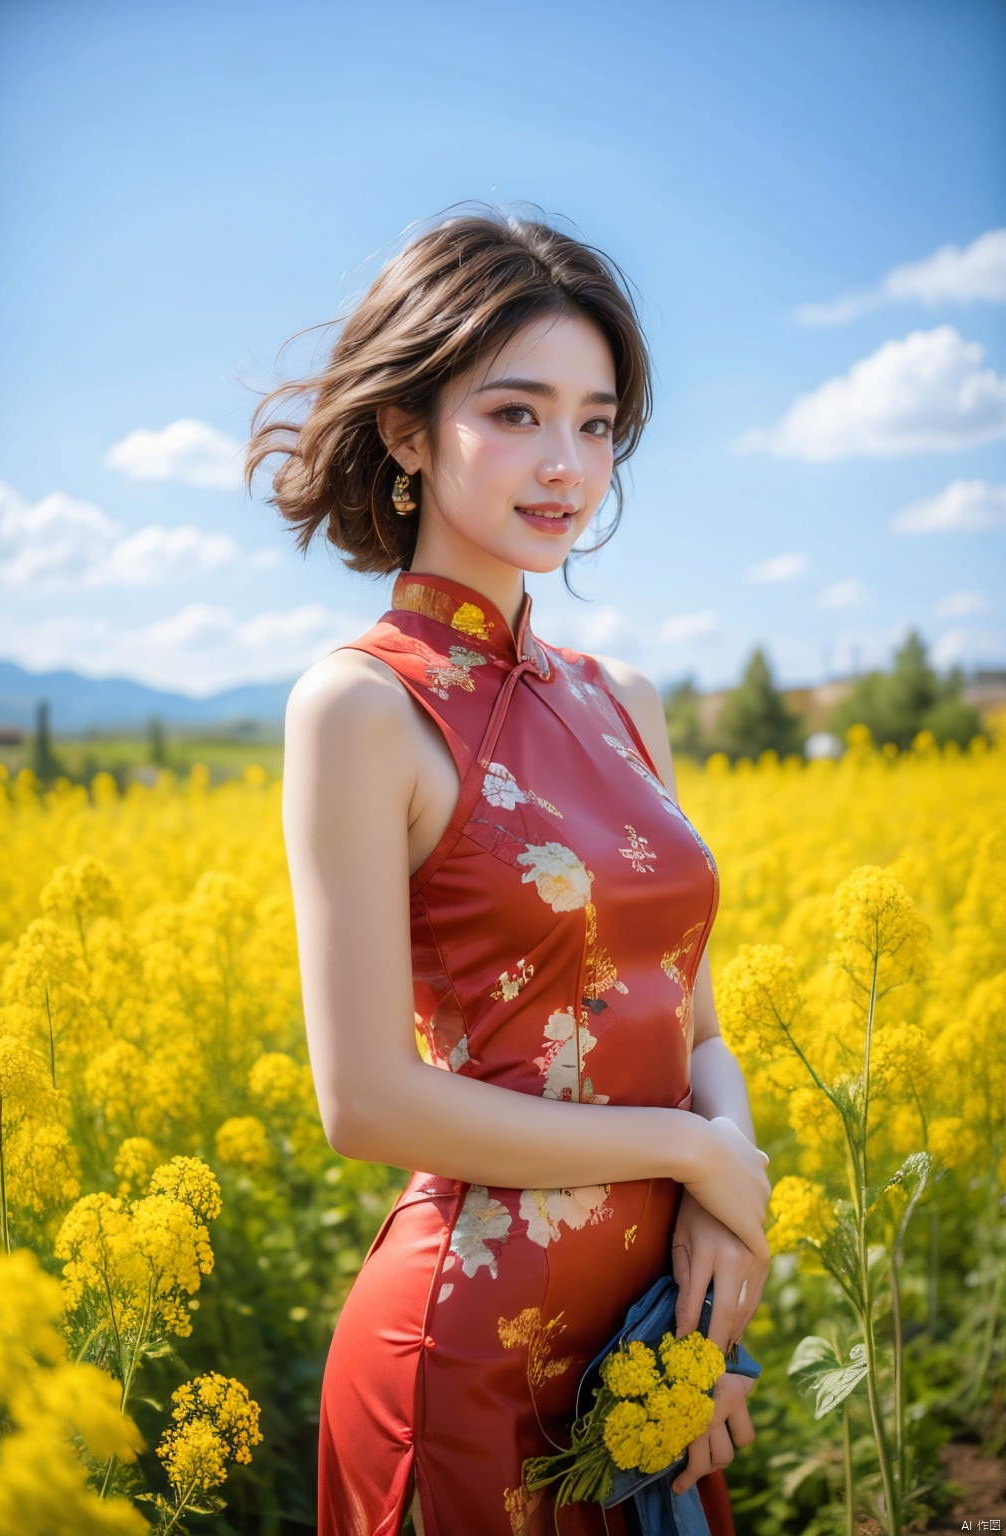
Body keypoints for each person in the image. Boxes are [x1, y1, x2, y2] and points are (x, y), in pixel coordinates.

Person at [244, 208, 772, 1536]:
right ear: (410, 434)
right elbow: (365, 1103)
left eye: (597, 424)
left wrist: (726, 1235)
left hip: (646, 1340)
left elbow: (694, 1021)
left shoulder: (623, 699)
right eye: (518, 413)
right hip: (466, 1354)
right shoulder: (363, 708)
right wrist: (693, 1159)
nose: (567, 465)